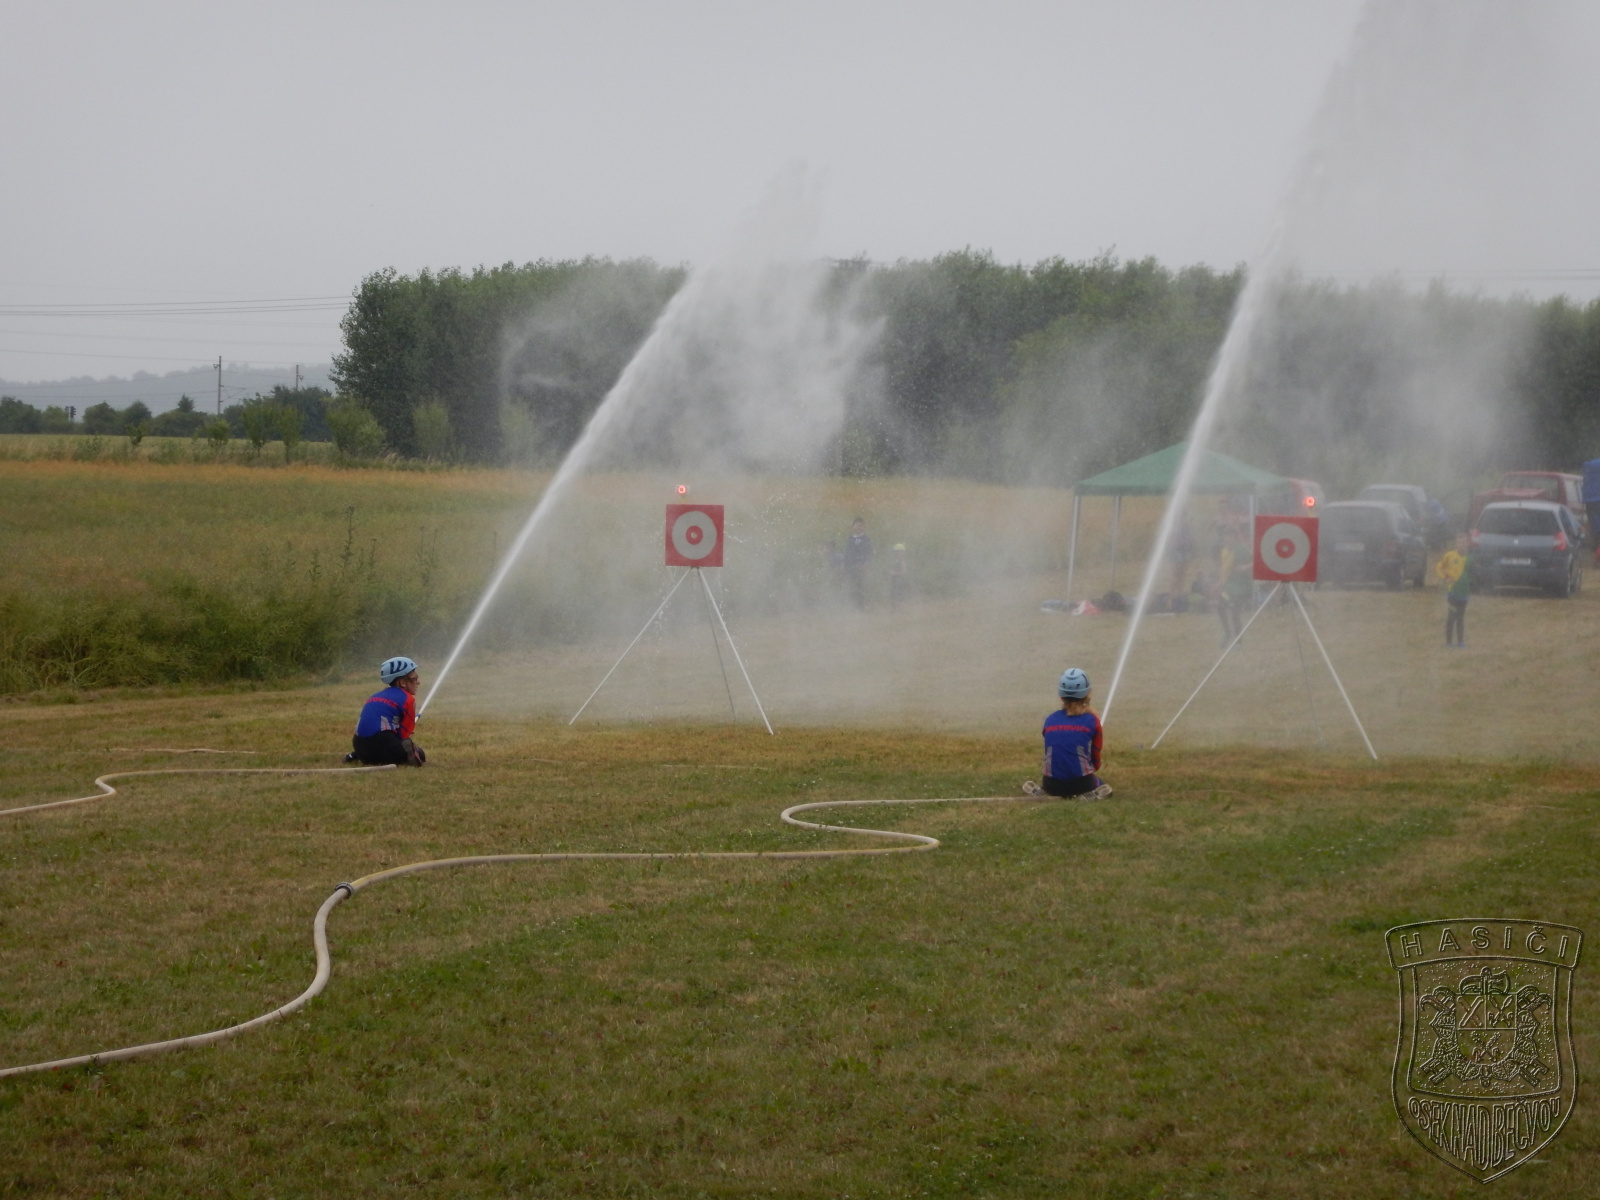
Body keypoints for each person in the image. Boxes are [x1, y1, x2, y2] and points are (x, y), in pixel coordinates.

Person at [1023, 668, 1113, 800]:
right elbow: (1096, 760)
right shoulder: (1092, 720)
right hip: (1082, 783)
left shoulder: (1050, 719)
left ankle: (1045, 792)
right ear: (1087, 694)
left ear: (1061, 696)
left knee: (1056, 783)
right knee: (1103, 786)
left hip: (1051, 784)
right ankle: (1090, 794)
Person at [345, 656, 427, 766]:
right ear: (402, 682)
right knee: (420, 754)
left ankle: (355, 756)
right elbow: (404, 735)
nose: (418, 682)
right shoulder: (408, 699)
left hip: (359, 746)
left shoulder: (375, 696)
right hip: (383, 745)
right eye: (414, 679)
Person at [1435, 534, 1472, 647]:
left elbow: (1472, 574)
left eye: (1463, 542)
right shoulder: (1449, 555)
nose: (1461, 545)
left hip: (1464, 593)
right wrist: (1445, 577)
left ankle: (1460, 642)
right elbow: (1439, 567)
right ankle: (1449, 642)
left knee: (1461, 617)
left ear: (1467, 544)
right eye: (1459, 542)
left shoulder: (1470, 558)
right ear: (1456, 544)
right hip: (1452, 592)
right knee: (1451, 616)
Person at [843, 517, 873, 609]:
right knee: (851, 586)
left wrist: (867, 563)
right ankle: (852, 605)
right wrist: (844, 565)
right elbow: (847, 553)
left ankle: (861, 606)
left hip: (860, 567)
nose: (859, 528)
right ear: (852, 527)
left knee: (860, 586)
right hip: (850, 567)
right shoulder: (850, 539)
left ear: (864, 527)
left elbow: (869, 552)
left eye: (861, 526)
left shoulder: (865, 539)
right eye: (857, 525)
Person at [888, 542, 910, 608]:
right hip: (894, 581)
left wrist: (894, 573)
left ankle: (901, 609)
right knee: (893, 596)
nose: (897, 553)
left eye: (899, 552)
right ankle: (895, 609)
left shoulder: (902, 561)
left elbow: (904, 572)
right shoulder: (895, 561)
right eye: (896, 552)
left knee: (898, 597)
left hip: (899, 581)